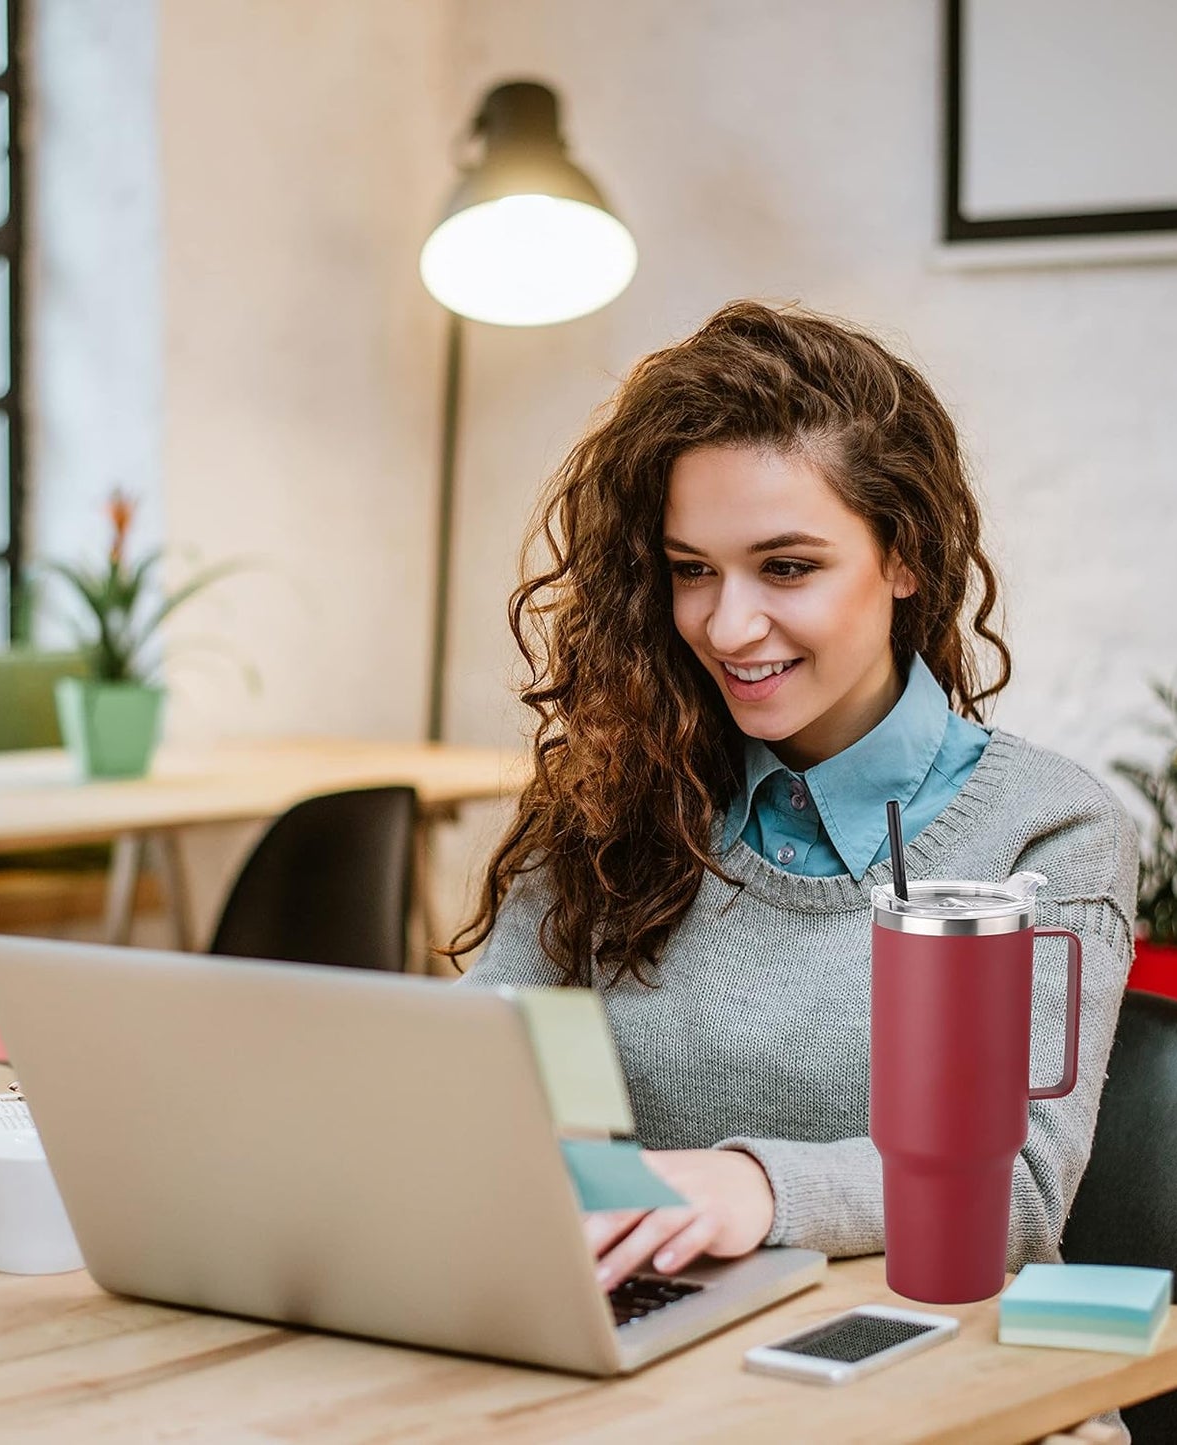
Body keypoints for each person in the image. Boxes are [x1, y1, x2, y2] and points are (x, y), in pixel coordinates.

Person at [446, 299, 1138, 1307]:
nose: (727, 625)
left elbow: (1013, 1192)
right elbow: (479, 1056)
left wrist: (756, 1185)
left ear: (903, 556)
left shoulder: (1044, 831)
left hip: (943, 1371)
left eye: (786, 566)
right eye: (691, 571)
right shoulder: (620, 793)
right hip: (668, 1359)